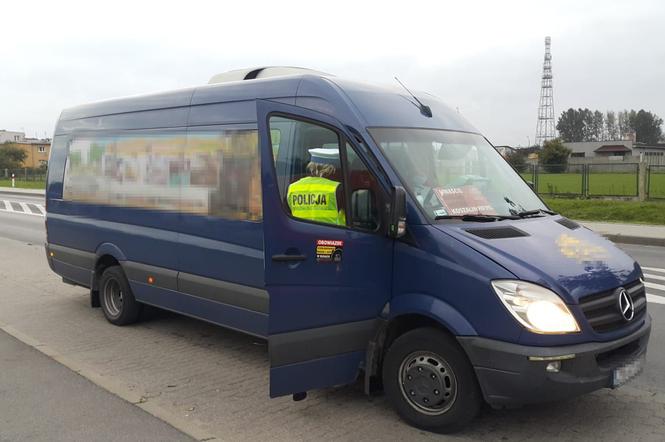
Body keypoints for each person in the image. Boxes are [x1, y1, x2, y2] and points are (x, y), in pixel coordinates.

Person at [287, 148, 346, 225]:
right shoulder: (337, 189)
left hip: (301, 234)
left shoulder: (292, 188)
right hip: (332, 234)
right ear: (331, 169)